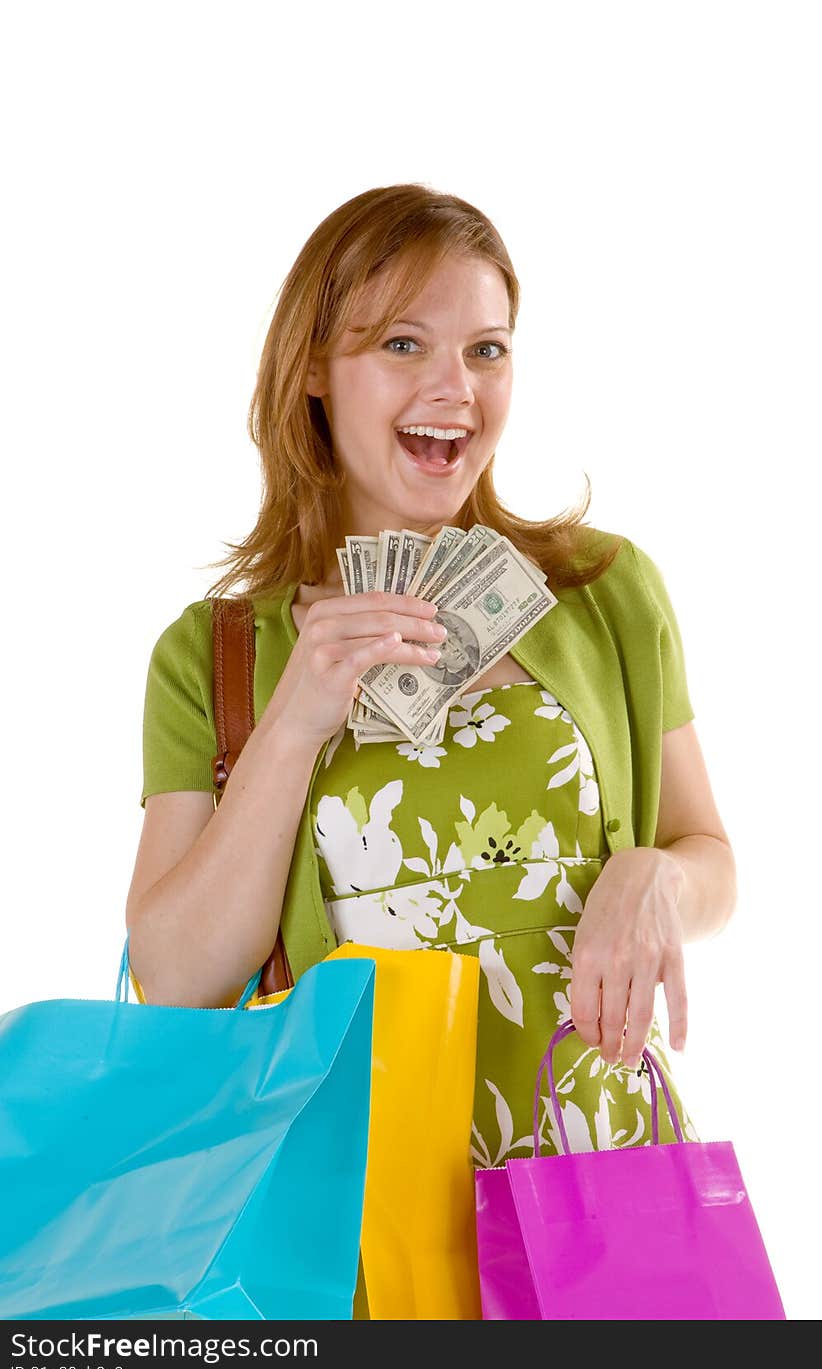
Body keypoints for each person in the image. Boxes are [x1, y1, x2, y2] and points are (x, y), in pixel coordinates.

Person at [127, 183, 736, 1178]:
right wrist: (293, 724)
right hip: (364, 1202)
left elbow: (709, 856)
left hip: (600, 1173)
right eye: (403, 344)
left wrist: (654, 874)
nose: (456, 387)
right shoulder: (214, 655)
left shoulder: (606, 594)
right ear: (316, 370)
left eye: (485, 349)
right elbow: (176, 977)